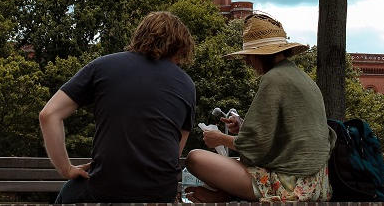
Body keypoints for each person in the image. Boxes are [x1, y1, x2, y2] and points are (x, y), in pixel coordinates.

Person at [39, 11, 196, 203]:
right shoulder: (187, 84)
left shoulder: (103, 66)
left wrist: (66, 169)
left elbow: (49, 114)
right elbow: (174, 150)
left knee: (70, 192)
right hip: (160, 194)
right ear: (180, 47)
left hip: (104, 189)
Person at [185, 13, 334, 202]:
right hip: (317, 184)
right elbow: (286, 137)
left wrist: (220, 138)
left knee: (195, 158)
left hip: (290, 186)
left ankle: (227, 195)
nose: (248, 62)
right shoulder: (302, 78)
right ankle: (226, 195)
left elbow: (256, 146)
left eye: (249, 57)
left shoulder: (273, 79)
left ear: (261, 55)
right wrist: (243, 127)